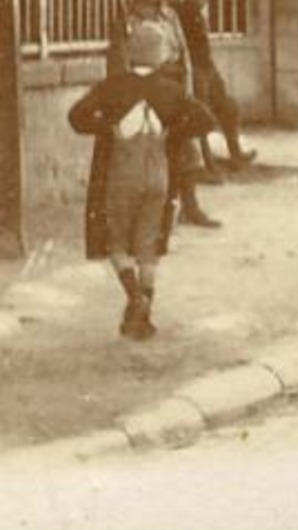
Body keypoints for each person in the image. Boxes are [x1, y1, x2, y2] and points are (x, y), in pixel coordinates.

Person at [70, 22, 216, 339]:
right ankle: (142, 320)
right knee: (148, 246)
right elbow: (207, 119)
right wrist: (170, 134)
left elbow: (76, 116)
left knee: (115, 241)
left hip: (121, 173)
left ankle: (135, 298)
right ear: (161, 55)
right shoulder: (172, 89)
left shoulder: (112, 86)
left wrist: (108, 127)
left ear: (130, 52)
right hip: (159, 175)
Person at [95, 0, 220, 253]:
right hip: (147, 95)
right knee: (149, 162)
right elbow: (120, 61)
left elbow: (183, 54)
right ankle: (147, 226)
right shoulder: (128, 17)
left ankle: (190, 208)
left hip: (174, 92)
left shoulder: (170, 15)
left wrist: (187, 92)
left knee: (184, 155)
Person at [177, 0, 257, 175]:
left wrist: (212, 71)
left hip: (207, 69)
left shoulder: (197, 14)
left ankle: (235, 153)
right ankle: (206, 164)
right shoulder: (181, 14)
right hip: (194, 70)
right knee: (201, 117)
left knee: (229, 107)